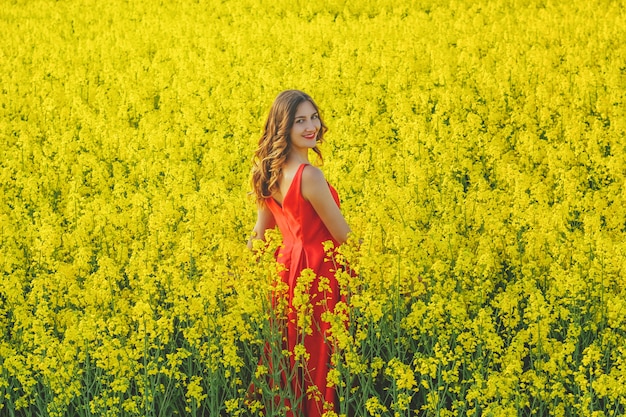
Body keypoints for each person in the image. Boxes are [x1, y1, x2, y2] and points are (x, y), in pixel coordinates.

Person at [248, 90, 351, 417]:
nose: (312, 127)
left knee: (289, 356)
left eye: (314, 117)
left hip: (287, 273)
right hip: (319, 272)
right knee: (317, 362)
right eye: (300, 121)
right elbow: (343, 237)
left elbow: (257, 240)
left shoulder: (268, 173)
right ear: (283, 127)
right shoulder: (311, 176)